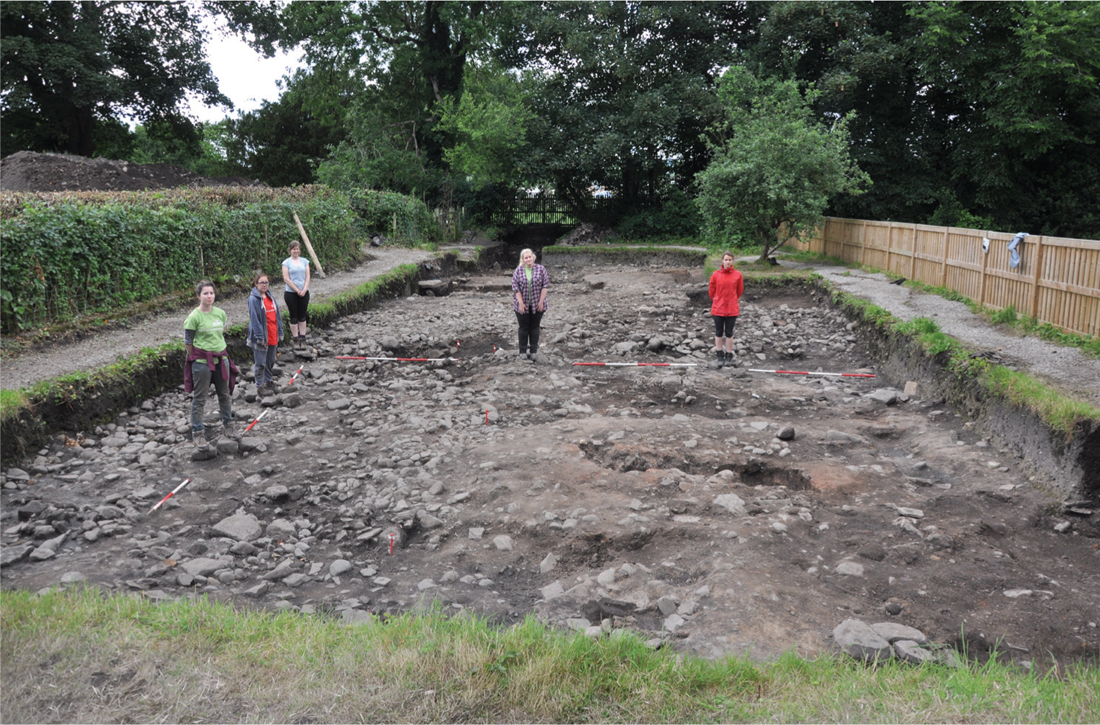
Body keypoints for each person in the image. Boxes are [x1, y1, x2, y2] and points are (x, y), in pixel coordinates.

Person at [184, 280, 239, 452]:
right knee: (200, 398)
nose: (209, 296)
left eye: (212, 293)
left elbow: (219, 335)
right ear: (198, 296)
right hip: (201, 362)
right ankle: (198, 431)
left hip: (221, 359)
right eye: (205, 293)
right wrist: (196, 356)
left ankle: (228, 424)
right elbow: (188, 342)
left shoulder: (220, 314)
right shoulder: (193, 317)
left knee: (224, 394)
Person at [246, 273, 283, 395]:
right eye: (261, 282)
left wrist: (280, 331)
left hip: (273, 333)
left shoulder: (270, 296)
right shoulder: (253, 299)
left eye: (266, 282)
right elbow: (254, 319)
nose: (264, 285)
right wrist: (260, 337)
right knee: (260, 363)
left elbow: (277, 315)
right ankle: (260, 386)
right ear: (256, 284)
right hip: (261, 337)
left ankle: (268, 381)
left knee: (270, 361)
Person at [511, 248, 549, 361]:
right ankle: (522, 351)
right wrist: (521, 303)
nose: (528, 259)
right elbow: (515, 287)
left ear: (533, 257)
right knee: (523, 328)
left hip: (538, 304)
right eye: (525, 257)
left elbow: (545, 285)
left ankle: (533, 351)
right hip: (522, 304)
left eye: (529, 257)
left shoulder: (541, 269)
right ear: (523, 259)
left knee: (535, 327)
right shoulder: (518, 270)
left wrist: (541, 301)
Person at [708, 251, 744, 367]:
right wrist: (717, 300)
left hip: (732, 309)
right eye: (726, 260)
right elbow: (711, 290)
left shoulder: (737, 275)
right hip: (718, 309)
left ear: (732, 261)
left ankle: (729, 355)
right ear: (722, 261)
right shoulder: (715, 275)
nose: (728, 262)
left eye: (730, 260)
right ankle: (719, 354)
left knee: (729, 332)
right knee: (719, 332)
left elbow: (739, 291)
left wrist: (732, 300)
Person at [282, 241, 311, 349]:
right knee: (293, 316)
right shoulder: (286, 263)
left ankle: (303, 338)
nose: (296, 251)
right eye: (294, 249)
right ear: (290, 250)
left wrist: (304, 289)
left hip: (304, 292)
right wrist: (297, 290)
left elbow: (308, 276)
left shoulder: (305, 261)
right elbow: (286, 279)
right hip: (291, 293)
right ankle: (295, 339)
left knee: (302, 315)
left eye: (297, 249)